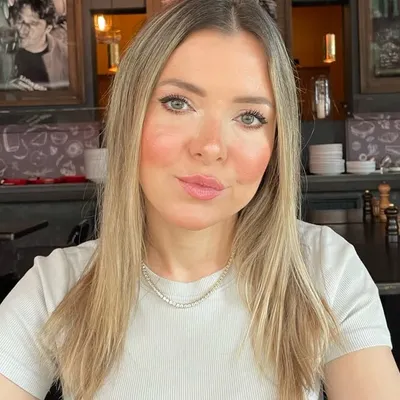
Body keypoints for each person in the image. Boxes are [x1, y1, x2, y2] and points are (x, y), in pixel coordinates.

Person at [0, 0, 400, 399]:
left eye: (250, 117)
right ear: (129, 116)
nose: (211, 147)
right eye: (178, 103)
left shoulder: (324, 271)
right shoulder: (55, 289)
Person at [11, 0, 68, 90]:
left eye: (32, 24)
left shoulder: (66, 59)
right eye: (20, 20)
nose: (21, 30)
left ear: (48, 29)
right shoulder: (4, 45)